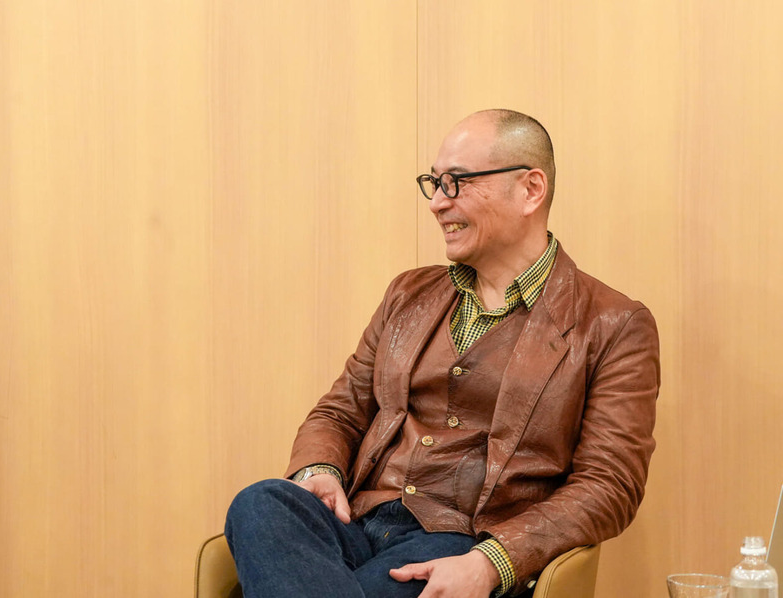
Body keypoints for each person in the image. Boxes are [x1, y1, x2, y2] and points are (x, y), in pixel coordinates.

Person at [224, 109, 660, 597]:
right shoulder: (407, 294)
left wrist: (492, 563)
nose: (436, 203)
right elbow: (340, 411)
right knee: (260, 503)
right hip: (355, 522)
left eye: (456, 182)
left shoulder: (614, 324)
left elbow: (609, 484)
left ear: (530, 190)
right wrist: (320, 469)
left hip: (461, 545)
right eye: (433, 183)